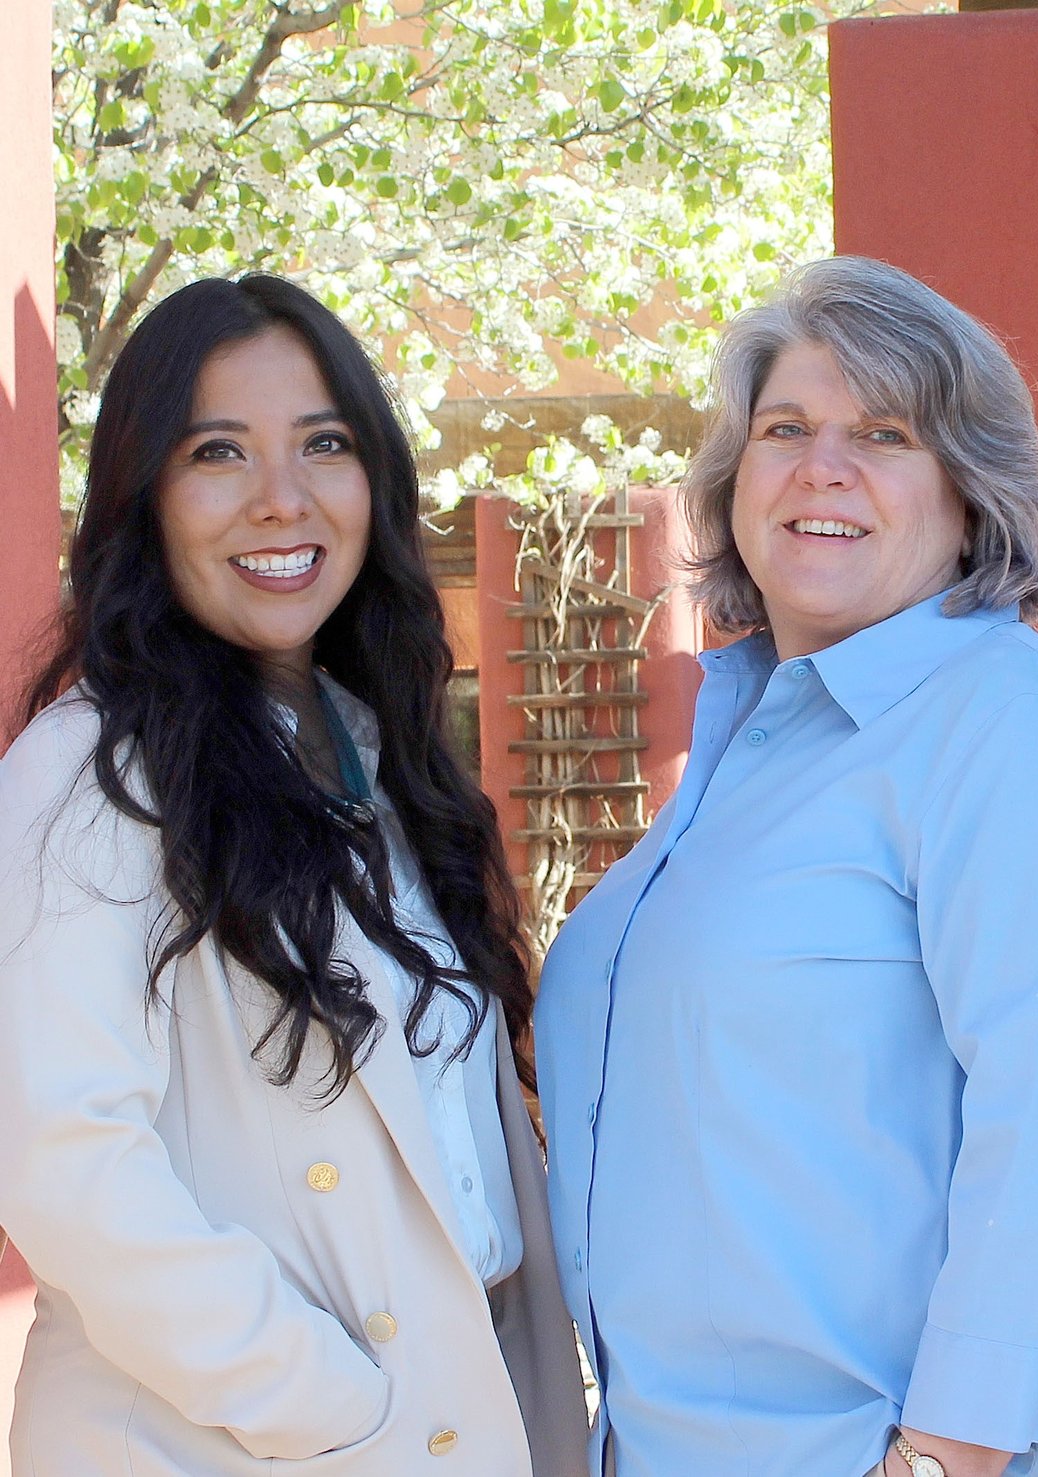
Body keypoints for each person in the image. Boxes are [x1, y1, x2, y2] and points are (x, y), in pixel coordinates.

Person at [535, 255, 1038, 1477]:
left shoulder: (1013, 722)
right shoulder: (748, 744)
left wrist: (941, 1458)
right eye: (784, 428)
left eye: (885, 434)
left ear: (969, 492)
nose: (821, 467)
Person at [0, 274, 589, 1476]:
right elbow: (57, 1153)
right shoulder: (95, 771)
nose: (282, 498)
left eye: (323, 444)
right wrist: (317, 1396)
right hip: (234, 1439)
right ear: (145, 498)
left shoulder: (381, 760)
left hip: (445, 1414)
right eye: (218, 451)